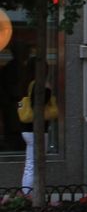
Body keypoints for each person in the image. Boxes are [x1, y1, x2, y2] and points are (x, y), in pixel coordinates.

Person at [19, 57, 52, 195]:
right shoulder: (40, 85)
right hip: (36, 129)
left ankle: (28, 194)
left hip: (27, 129)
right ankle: (28, 195)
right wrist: (48, 89)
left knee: (30, 164)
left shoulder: (27, 83)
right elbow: (38, 105)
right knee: (33, 165)